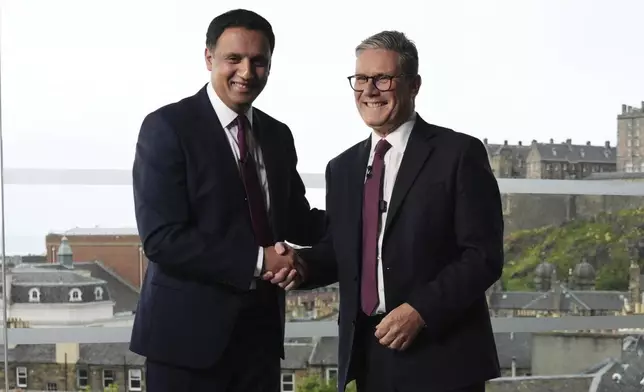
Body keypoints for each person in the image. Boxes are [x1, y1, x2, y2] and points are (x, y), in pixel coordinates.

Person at [268, 31, 504, 392]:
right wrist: (301, 264)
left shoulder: (458, 154)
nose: (369, 90)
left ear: (414, 85)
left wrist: (420, 311)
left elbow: (482, 256)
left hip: (443, 356)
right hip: (371, 353)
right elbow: (345, 251)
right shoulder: (342, 167)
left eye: (383, 78)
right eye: (361, 79)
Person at [129, 9, 325, 391]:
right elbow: (161, 238)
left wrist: (371, 218)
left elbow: (297, 219)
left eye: (258, 61)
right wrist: (258, 259)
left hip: (260, 341)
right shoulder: (167, 128)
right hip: (186, 344)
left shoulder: (277, 135)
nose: (247, 72)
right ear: (209, 58)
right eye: (234, 59)